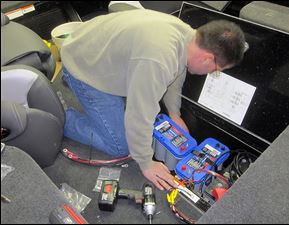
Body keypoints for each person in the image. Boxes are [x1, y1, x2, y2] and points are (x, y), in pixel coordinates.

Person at [60, 9, 245, 191]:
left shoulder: (188, 36)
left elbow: (176, 75)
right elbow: (138, 115)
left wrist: (174, 114)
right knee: (120, 146)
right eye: (215, 71)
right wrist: (146, 163)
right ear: (207, 59)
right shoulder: (158, 59)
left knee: (133, 113)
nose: (212, 74)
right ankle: (60, 117)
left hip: (94, 48)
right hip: (83, 65)